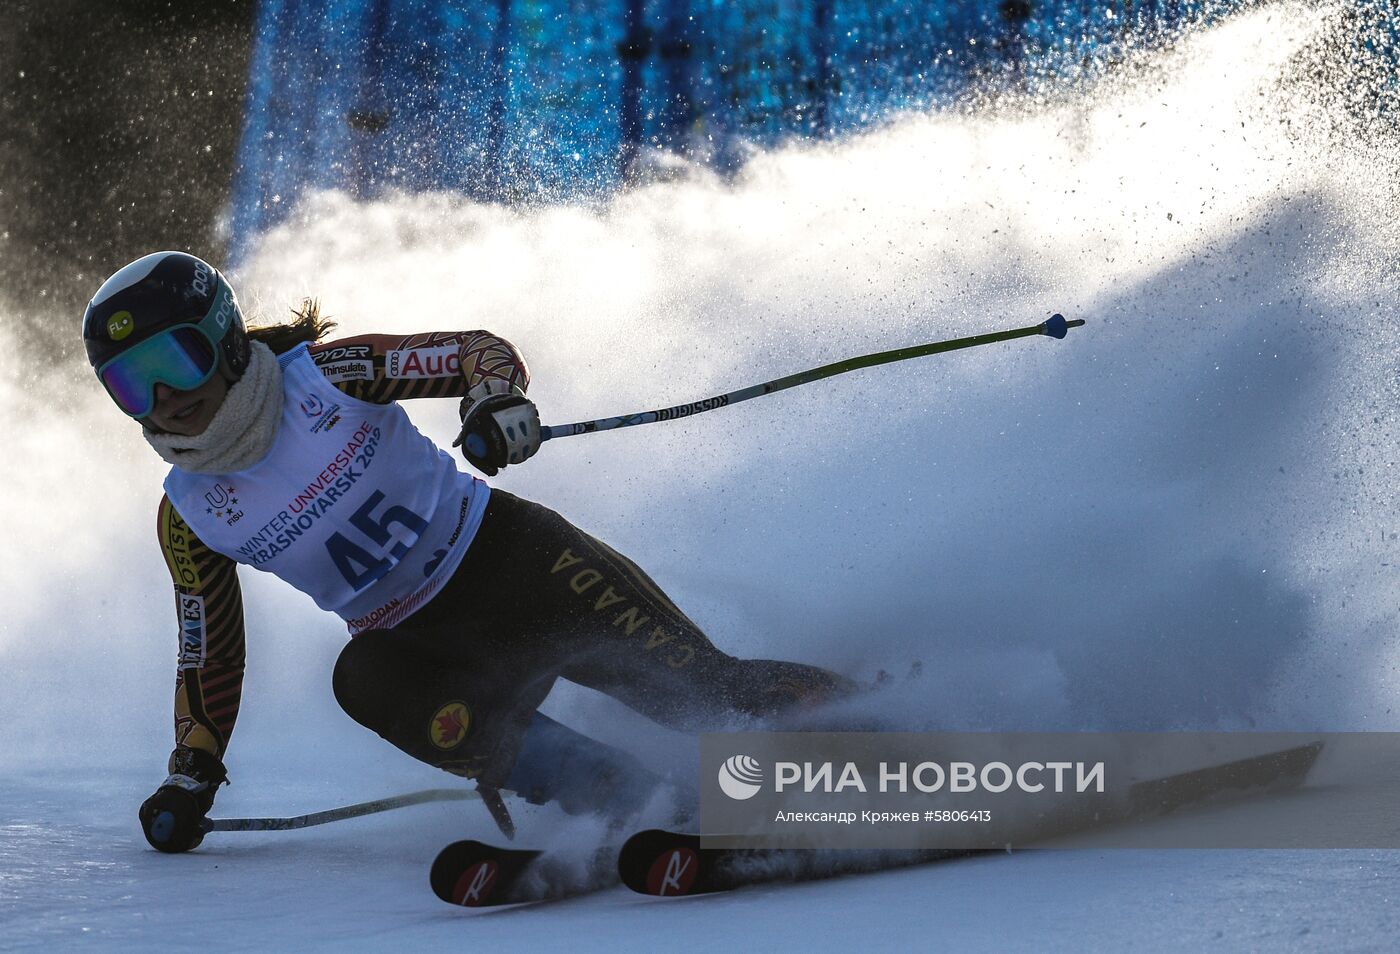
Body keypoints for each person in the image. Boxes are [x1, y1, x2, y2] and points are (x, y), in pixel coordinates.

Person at [82, 251, 852, 853]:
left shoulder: (326, 375)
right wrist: (191, 778)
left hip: (522, 568)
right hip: (427, 653)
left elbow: (474, 351)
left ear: (220, 339)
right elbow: (209, 658)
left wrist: (495, 399)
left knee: (705, 696)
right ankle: (642, 805)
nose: (163, 400)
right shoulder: (187, 516)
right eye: (129, 385)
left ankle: (897, 745)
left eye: (173, 364)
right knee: (359, 677)